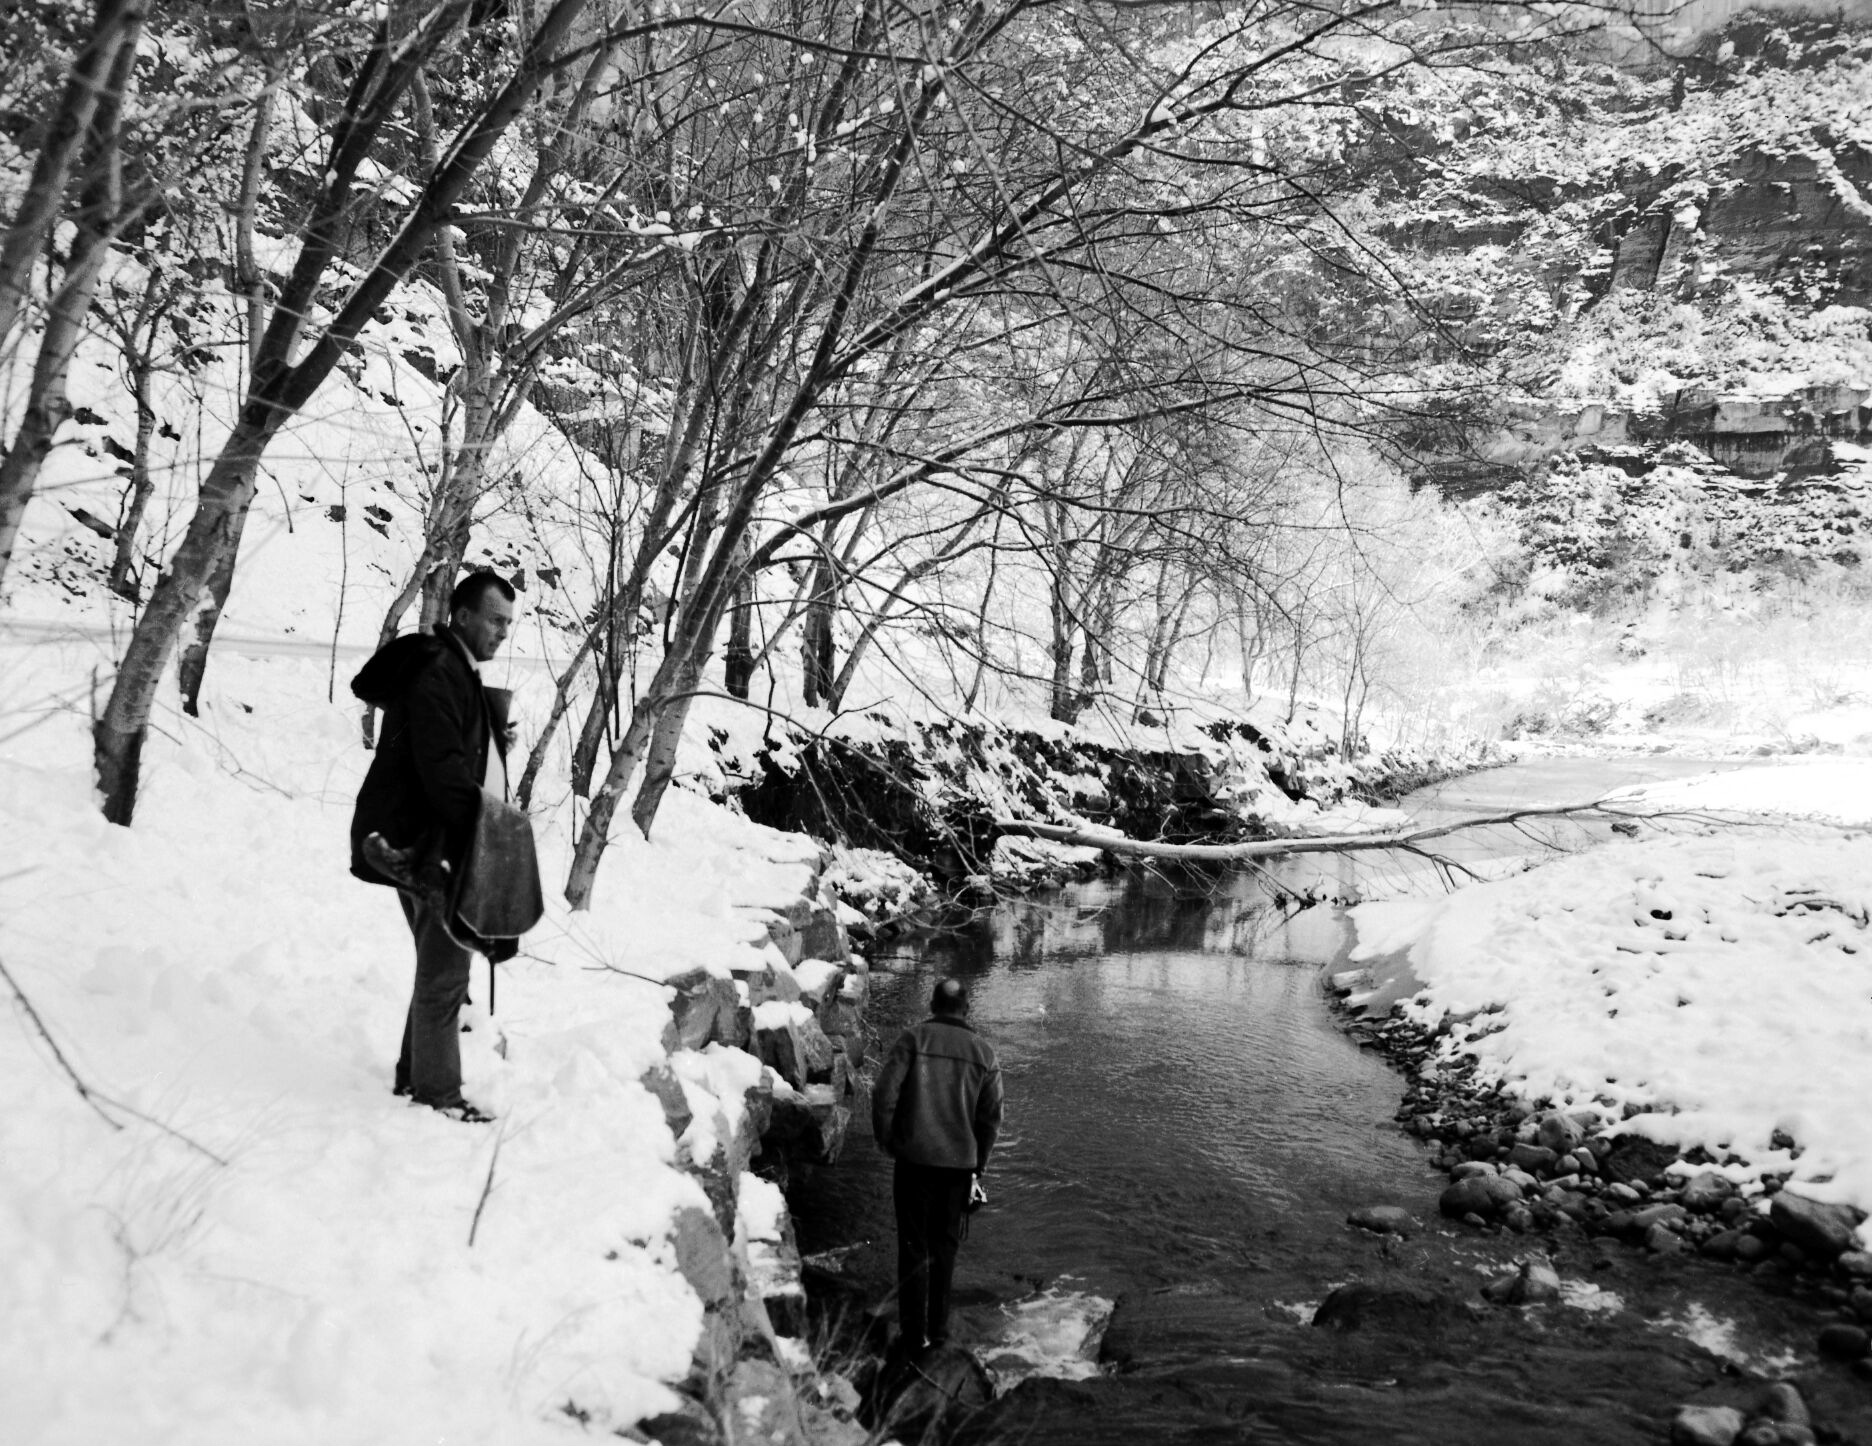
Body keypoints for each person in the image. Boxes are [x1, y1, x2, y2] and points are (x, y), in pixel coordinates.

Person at [349, 571, 517, 1123]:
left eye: (508, 624)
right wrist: (487, 834)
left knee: (437, 965)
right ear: (463, 616)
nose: (502, 633)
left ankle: (413, 1076)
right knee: (445, 972)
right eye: (495, 620)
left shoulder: (454, 671)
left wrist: (491, 739)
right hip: (430, 845)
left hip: (423, 840)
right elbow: (441, 769)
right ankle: (436, 1095)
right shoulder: (440, 670)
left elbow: (449, 749)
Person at [870, 978, 1004, 1355]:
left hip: (913, 1162)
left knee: (913, 1247)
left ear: (932, 1004)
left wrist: (887, 1139)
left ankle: (914, 1335)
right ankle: (939, 1333)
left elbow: (883, 1093)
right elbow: (991, 1118)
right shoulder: (984, 1053)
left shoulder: (913, 1039)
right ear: (966, 1009)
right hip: (958, 1168)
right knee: (945, 1248)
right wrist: (978, 1167)